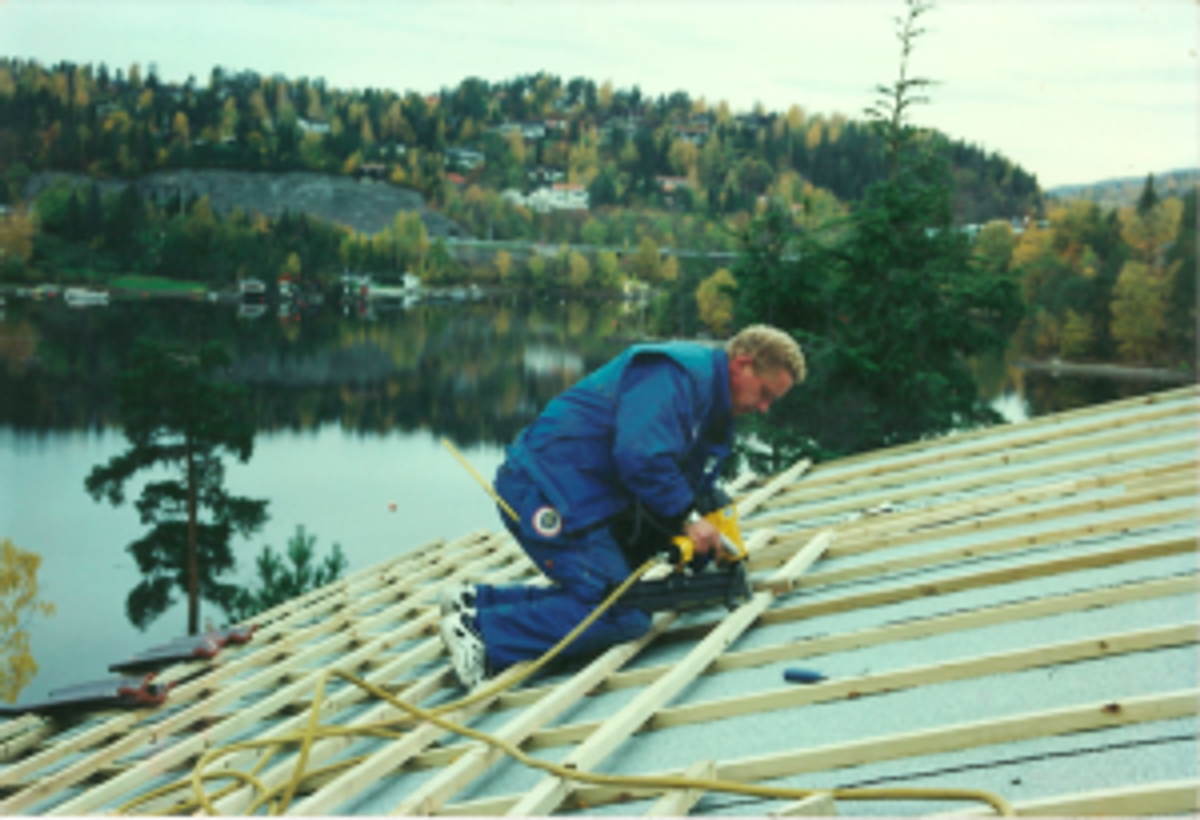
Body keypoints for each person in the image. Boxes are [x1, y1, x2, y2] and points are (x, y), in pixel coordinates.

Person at [438, 324, 806, 688]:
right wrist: (688, 519)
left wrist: (704, 536)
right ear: (742, 365)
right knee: (623, 614)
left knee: (605, 592)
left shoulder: (708, 403)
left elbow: (687, 481)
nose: (762, 407)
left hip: (580, 493)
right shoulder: (675, 375)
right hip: (548, 490)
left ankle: (476, 602)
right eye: (764, 394)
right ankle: (484, 636)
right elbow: (640, 456)